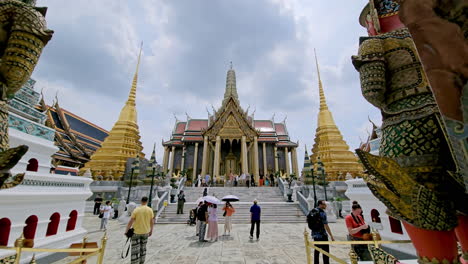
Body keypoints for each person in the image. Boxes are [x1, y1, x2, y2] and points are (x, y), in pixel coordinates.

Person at [125, 197, 154, 264]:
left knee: (135, 250)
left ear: (141, 201)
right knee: (143, 249)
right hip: (146, 232)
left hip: (136, 232)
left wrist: (126, 231)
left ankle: (135, 262)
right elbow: (152, 221)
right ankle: (142, 262)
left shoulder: (137, 210)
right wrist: (151, 230)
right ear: (147, 201)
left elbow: (131, 221)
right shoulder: (150, 210)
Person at [308, 200, 335, 264]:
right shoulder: (322, 213)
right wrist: (331, 235)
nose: (325, 205)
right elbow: (326, 225)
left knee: (317, 250)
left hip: (315, 234)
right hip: (322, 234)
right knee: (325, 251)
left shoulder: (312, 211)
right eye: (324, 204)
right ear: (320, 204)